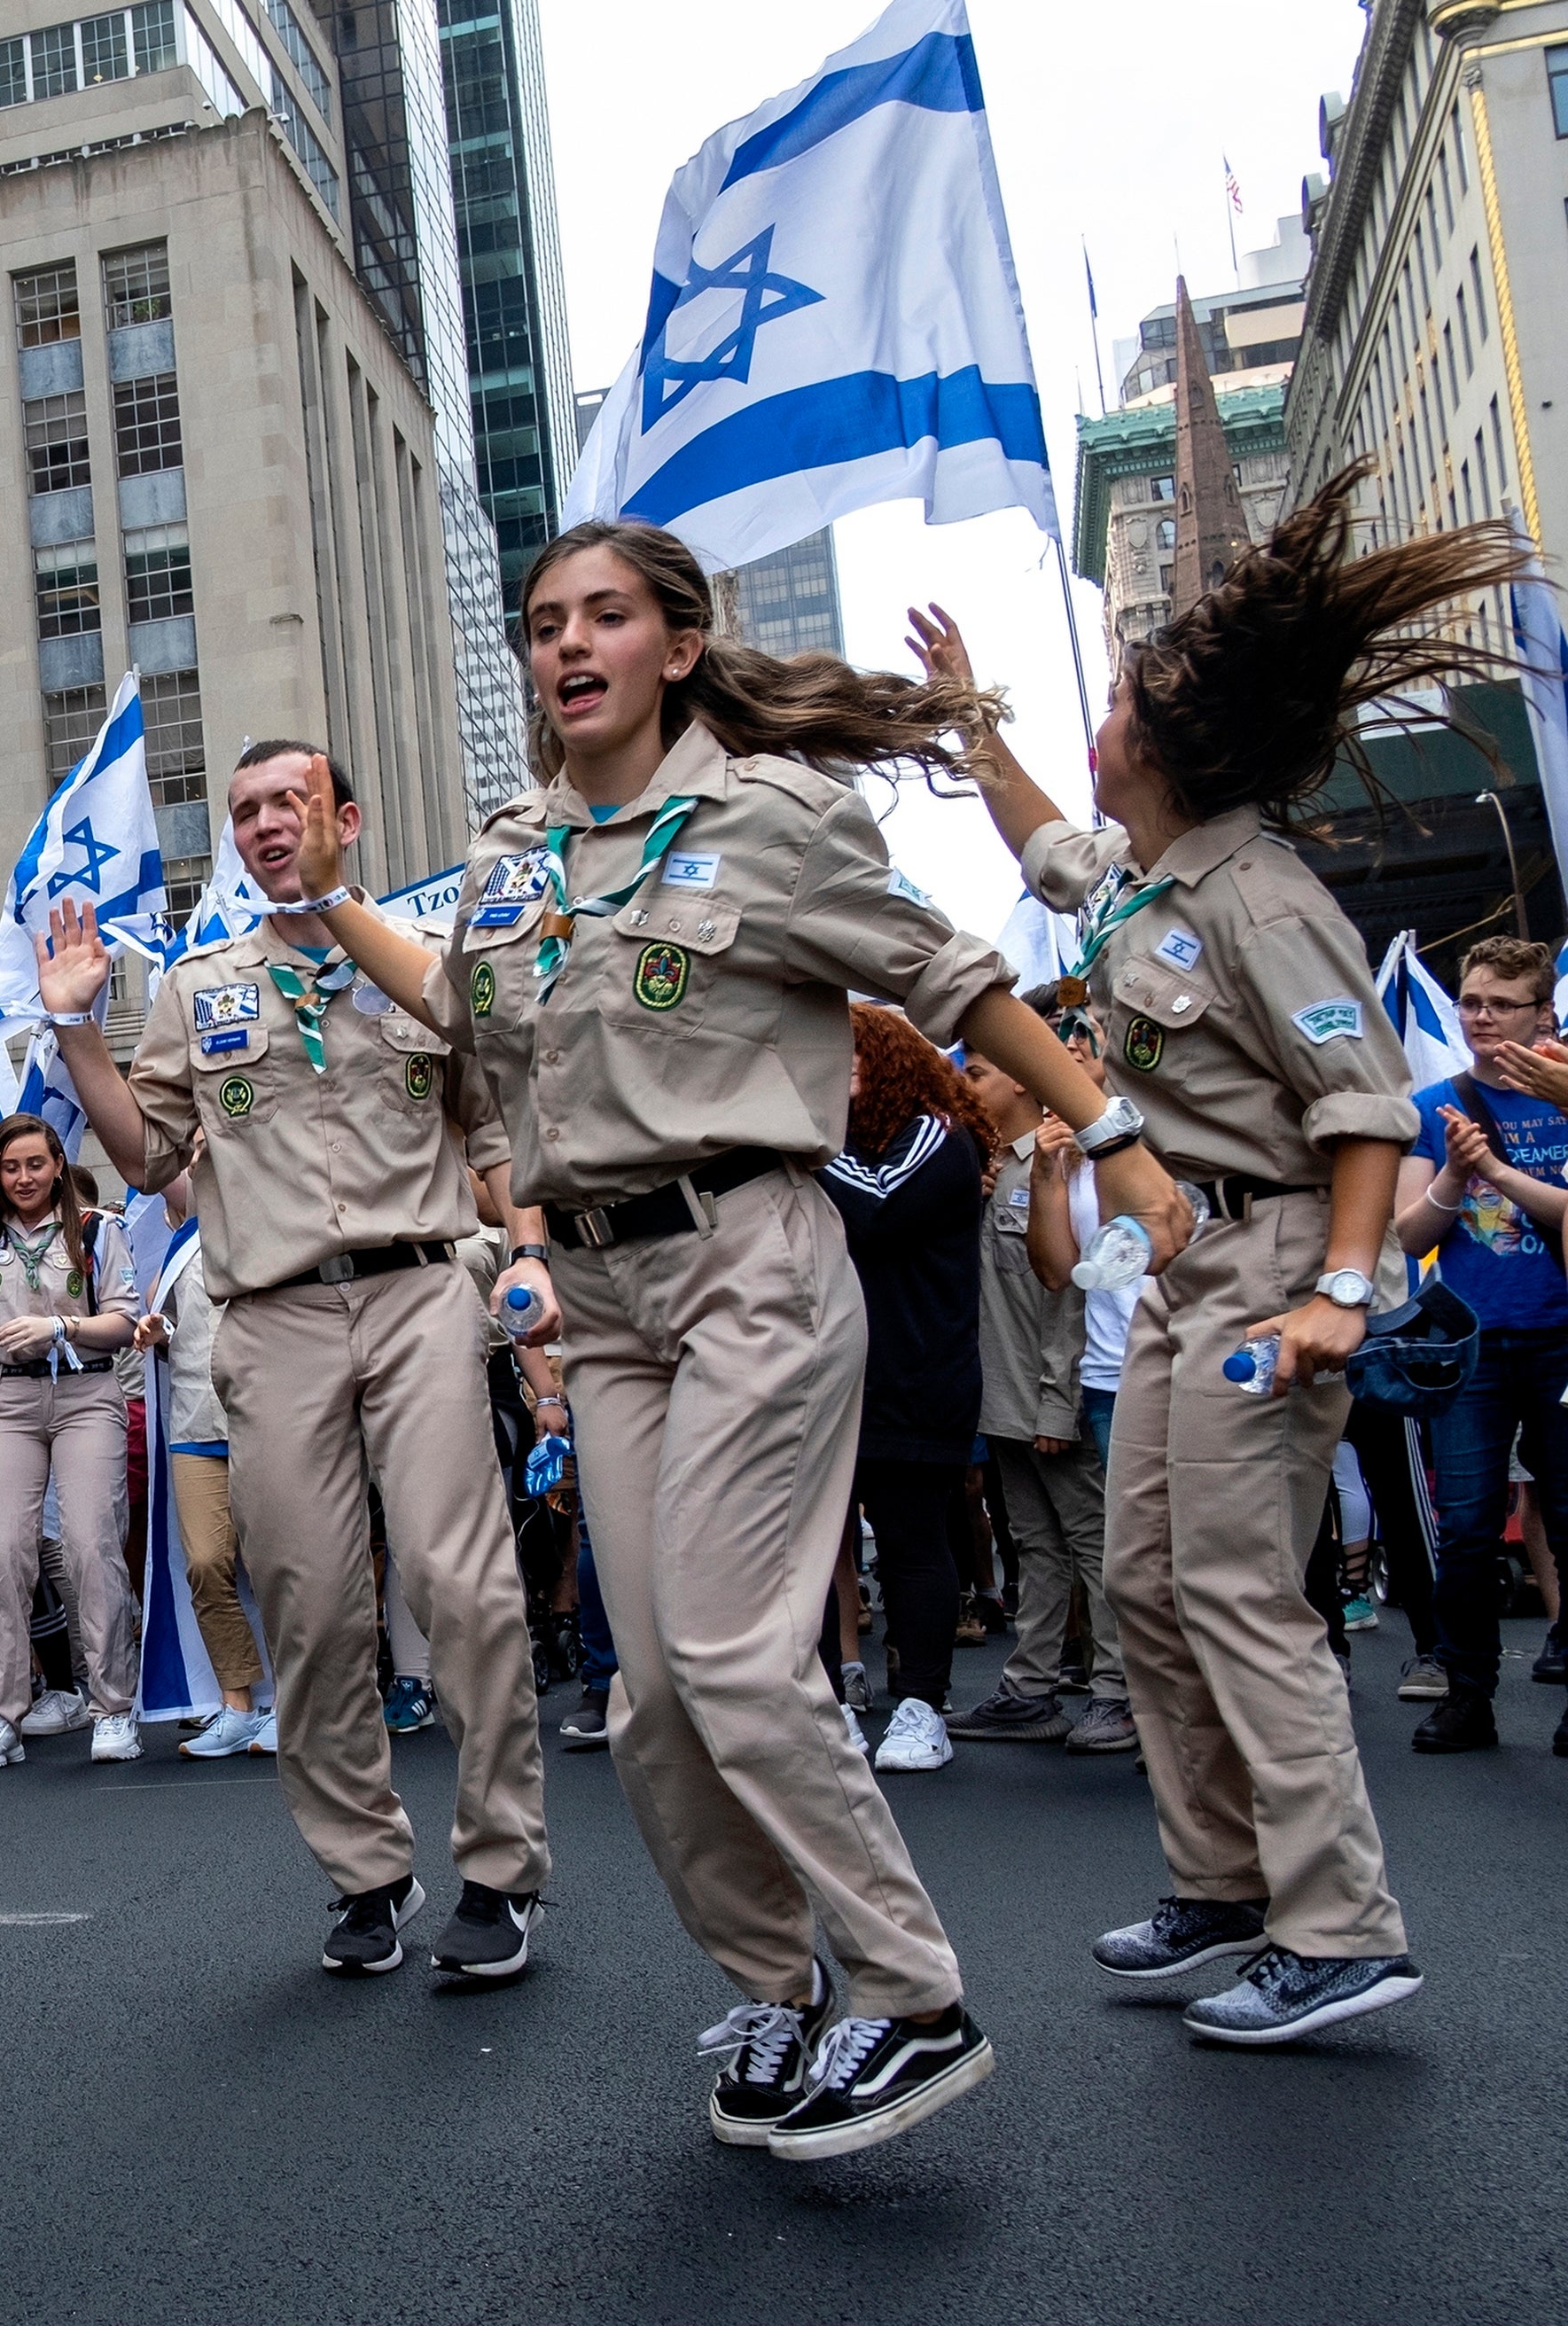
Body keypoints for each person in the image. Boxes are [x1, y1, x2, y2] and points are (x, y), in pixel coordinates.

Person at [296, 527, 1185, 2158]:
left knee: (730, 1652)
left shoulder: (771, 817)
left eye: (606, 617)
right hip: (608, 1296)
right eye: (547, 622)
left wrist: (1112, 1133)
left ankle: (916, 1996)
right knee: (648, 1700)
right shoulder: (511, 856)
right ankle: (777, 1978)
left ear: (679, 647)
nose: (568, 644)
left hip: (750, 1261)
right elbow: (462, 1013)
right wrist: (334, 902)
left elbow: (957, 977)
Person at [929, 464, 1517, 2043]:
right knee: (1148, 1576)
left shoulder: (1263, 895)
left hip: (1269, 1272)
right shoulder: (1147, 882)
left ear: (1166, 750)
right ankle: (1225, 1879)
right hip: (1183, 1274)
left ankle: (1341, 1925)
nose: (1098, 724)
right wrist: (973, 727)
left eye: (1110, 704)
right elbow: (1052, 848)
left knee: (1247, 1590)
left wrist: (1342, 1291)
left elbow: (1365, 1100)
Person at [39, 739, 555, 1984]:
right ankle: (369, 1871)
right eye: (246, 813)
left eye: (290, 803)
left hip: (422, 1289)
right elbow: (152, 1159)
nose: (267, 825)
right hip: (269, 1320)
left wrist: (530, 1254)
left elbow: (500, 1131)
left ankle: (501, 1864)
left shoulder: (426, 970)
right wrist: (79, 1034)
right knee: (313, 1609)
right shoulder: (196, 983)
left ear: (347, 816)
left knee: (460, 1580)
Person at [1390, 935, 1568, 1751]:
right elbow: (1405, 1229)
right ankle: (1468, 1693)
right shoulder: (1435, 1104)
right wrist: (1456, 1176)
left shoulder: (1564, 1095)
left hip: (1561, 1334)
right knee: (1464, 1527)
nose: (1483, 1017)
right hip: (1471, 1344)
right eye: (1471, 1001)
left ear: (1545, 1011)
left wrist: (1490, 1165)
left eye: (1504, 1003)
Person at [0, 1116, 141, 1769]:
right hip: (7, 1400)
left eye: (35, 1165)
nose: (23, 1178)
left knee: (89, 1543)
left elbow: (125, 1321)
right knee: (3, 1552)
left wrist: (61, 1326)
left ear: (56, 1164)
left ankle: (113, 1709)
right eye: (10, 1167)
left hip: (84, 1393)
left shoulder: (95, 1230)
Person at [819, 1005, 987, 1776]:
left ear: (894, 1058)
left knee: (915, 1543)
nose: (841, 1060)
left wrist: (794, 1144)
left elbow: (874, 1207)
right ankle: (830, 1702)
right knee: (816, 1554)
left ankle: (923, 1703)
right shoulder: (827, 1143)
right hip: (825, 1379)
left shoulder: (938, 1136)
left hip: (917, 1375)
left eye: (858, 1048)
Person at [955, 1049, 1131, 1753]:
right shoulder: (991, 1168)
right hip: (1003, 1397)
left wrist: (1060, 1403)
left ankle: (1117, 1691)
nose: (963, 1085)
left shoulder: (1060, 1166)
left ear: (1023, 1078)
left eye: (976, 1073)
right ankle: (1032, 1688)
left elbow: (1068, 1300)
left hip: (1049, 1399)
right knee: (1033, 1544)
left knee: (1096, 1547)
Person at [150, 1165, 269, 1760]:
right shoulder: (182, 1239)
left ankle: (300, 1704)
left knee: (280, 1567)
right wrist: (157, 1332)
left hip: (269, 1417)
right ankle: (239, 1705)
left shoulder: (276, 1223)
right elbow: (176, 1324)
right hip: (196, 1417)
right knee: (205, 1564)